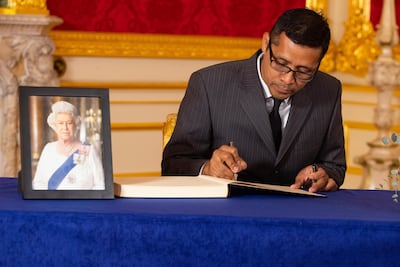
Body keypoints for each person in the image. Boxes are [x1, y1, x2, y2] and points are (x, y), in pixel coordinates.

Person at [162, 8, 346, 192]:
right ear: (265, 43)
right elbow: (173, 165)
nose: (288, 79)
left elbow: (334, 167)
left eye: (305, 71)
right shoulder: (208, 84)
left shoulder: (328, 90)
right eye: (281, 64)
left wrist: (321, 173)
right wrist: (208, 169)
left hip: (299, 211)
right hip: (229, 210)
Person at [33, 100, 105, 190]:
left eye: (69, 123)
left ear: (76, 125)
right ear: (55, 126)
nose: (65, 127)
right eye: (60, 123)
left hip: (83, 203)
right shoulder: (48, 149)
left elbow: (100, 184)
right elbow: (38, 183)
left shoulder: (88, 150)